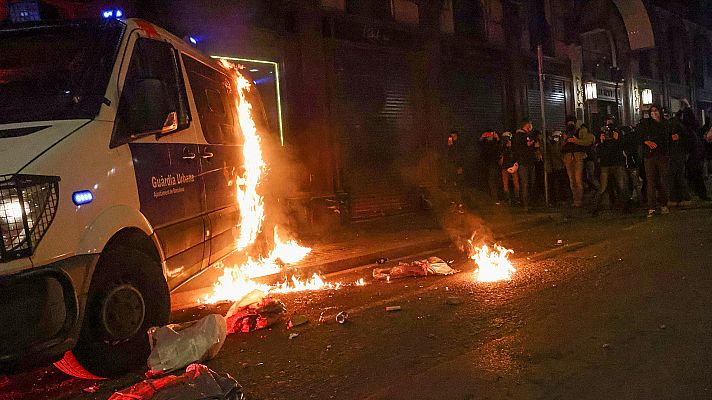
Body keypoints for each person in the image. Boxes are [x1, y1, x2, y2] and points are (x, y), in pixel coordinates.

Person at [592, 115, 631, 215]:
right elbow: (597, 147)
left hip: (617, 162)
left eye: (610, 121)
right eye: (607, 121)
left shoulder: (617, 132)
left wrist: (616, 138)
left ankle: (626, 207)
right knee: (603, 187)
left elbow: (623, 145)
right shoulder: (600, 133)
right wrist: (600, 140)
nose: (609, 124)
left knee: (622, 186)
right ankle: (595, 208)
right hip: (605, 163)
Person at [637, 104, 671, 217]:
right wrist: (647, 142)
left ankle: (664, 204)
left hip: (662, 155)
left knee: (663, 180)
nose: (654, 113)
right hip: (649, 156)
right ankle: (651, 207)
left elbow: (667, 138)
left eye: (656, 111)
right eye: (652, 112)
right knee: (650, 181)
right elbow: (639, 136)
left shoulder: (665, 124)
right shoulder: (646, 124)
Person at [561, 115, 595, 208]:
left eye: (572, 122)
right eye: (569, 122)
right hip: (568, 157)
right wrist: (564, 140)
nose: (570, 124)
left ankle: (579, 200)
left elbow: (587, 141)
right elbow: (560, 146)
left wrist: (576, 141)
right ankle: (575, 200)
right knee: (572, 181)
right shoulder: (565, 133)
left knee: (578, 179)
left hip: (578, 157)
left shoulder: (581, 131)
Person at [665, 108, 691, 205]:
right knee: (678, 175)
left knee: (675, 176)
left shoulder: (672, 126)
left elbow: (672, 141)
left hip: (675, 154)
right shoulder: (678, 125)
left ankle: (679, 198)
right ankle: (682, 197)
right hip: (679, 153)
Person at [512, 118, 538, 211]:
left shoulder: (523, 136)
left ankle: (528, 203)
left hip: (528, 162)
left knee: (528, 183)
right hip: (524, 163)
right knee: (525, 183)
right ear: (527, 125)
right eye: (530, 124)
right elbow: (525, 145)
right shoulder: (520, 136)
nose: (531, 126)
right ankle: (526, 204)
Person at [621, 125, 644, 205]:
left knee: (629, 182)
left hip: (629, 163)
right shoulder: (635, 139)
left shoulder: (624, 139)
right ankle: (639, 200)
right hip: (634, 163)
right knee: (635, 183)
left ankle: (631, 199)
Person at [479, 130, 502, 204]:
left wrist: (497, 138)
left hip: (494, 164)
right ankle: (491, 197)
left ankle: (496, 198)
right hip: (485, 164)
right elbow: (479, 144)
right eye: (488, 134)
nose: (489, 136)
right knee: (488, 181)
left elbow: (500, 148)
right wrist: (482, 137)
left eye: (491, 134)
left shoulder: (495, 143)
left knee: (493, 181)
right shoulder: (484, 143)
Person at [545, 130, 568, 205]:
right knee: (558, 183)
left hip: (554, 166)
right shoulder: (557, 143)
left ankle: (556, 199)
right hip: (557, 166)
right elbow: (557, 152)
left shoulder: (549, 143)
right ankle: (558, 199)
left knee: (555, 184)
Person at [445, 130, 465, 212]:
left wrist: (460, 167)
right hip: (450, 167)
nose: (452, 138)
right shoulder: (450, 145)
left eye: (453, 136)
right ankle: (453, 201)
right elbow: (448, 156)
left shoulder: (459, 145)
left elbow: (460, 156)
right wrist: (449, 146)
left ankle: (460, 204)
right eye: (451, 136)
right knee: (450, 184)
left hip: (457, 167)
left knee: (458, 185)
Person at [499, 132, 520, 205]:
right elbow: (501, 157)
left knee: (516, 183)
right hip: (505, 166)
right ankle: (508, 199)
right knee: (506, 184)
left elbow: (516, 155)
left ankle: (516, 199)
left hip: (512, 166)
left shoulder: (513, 147)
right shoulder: (501, 147)